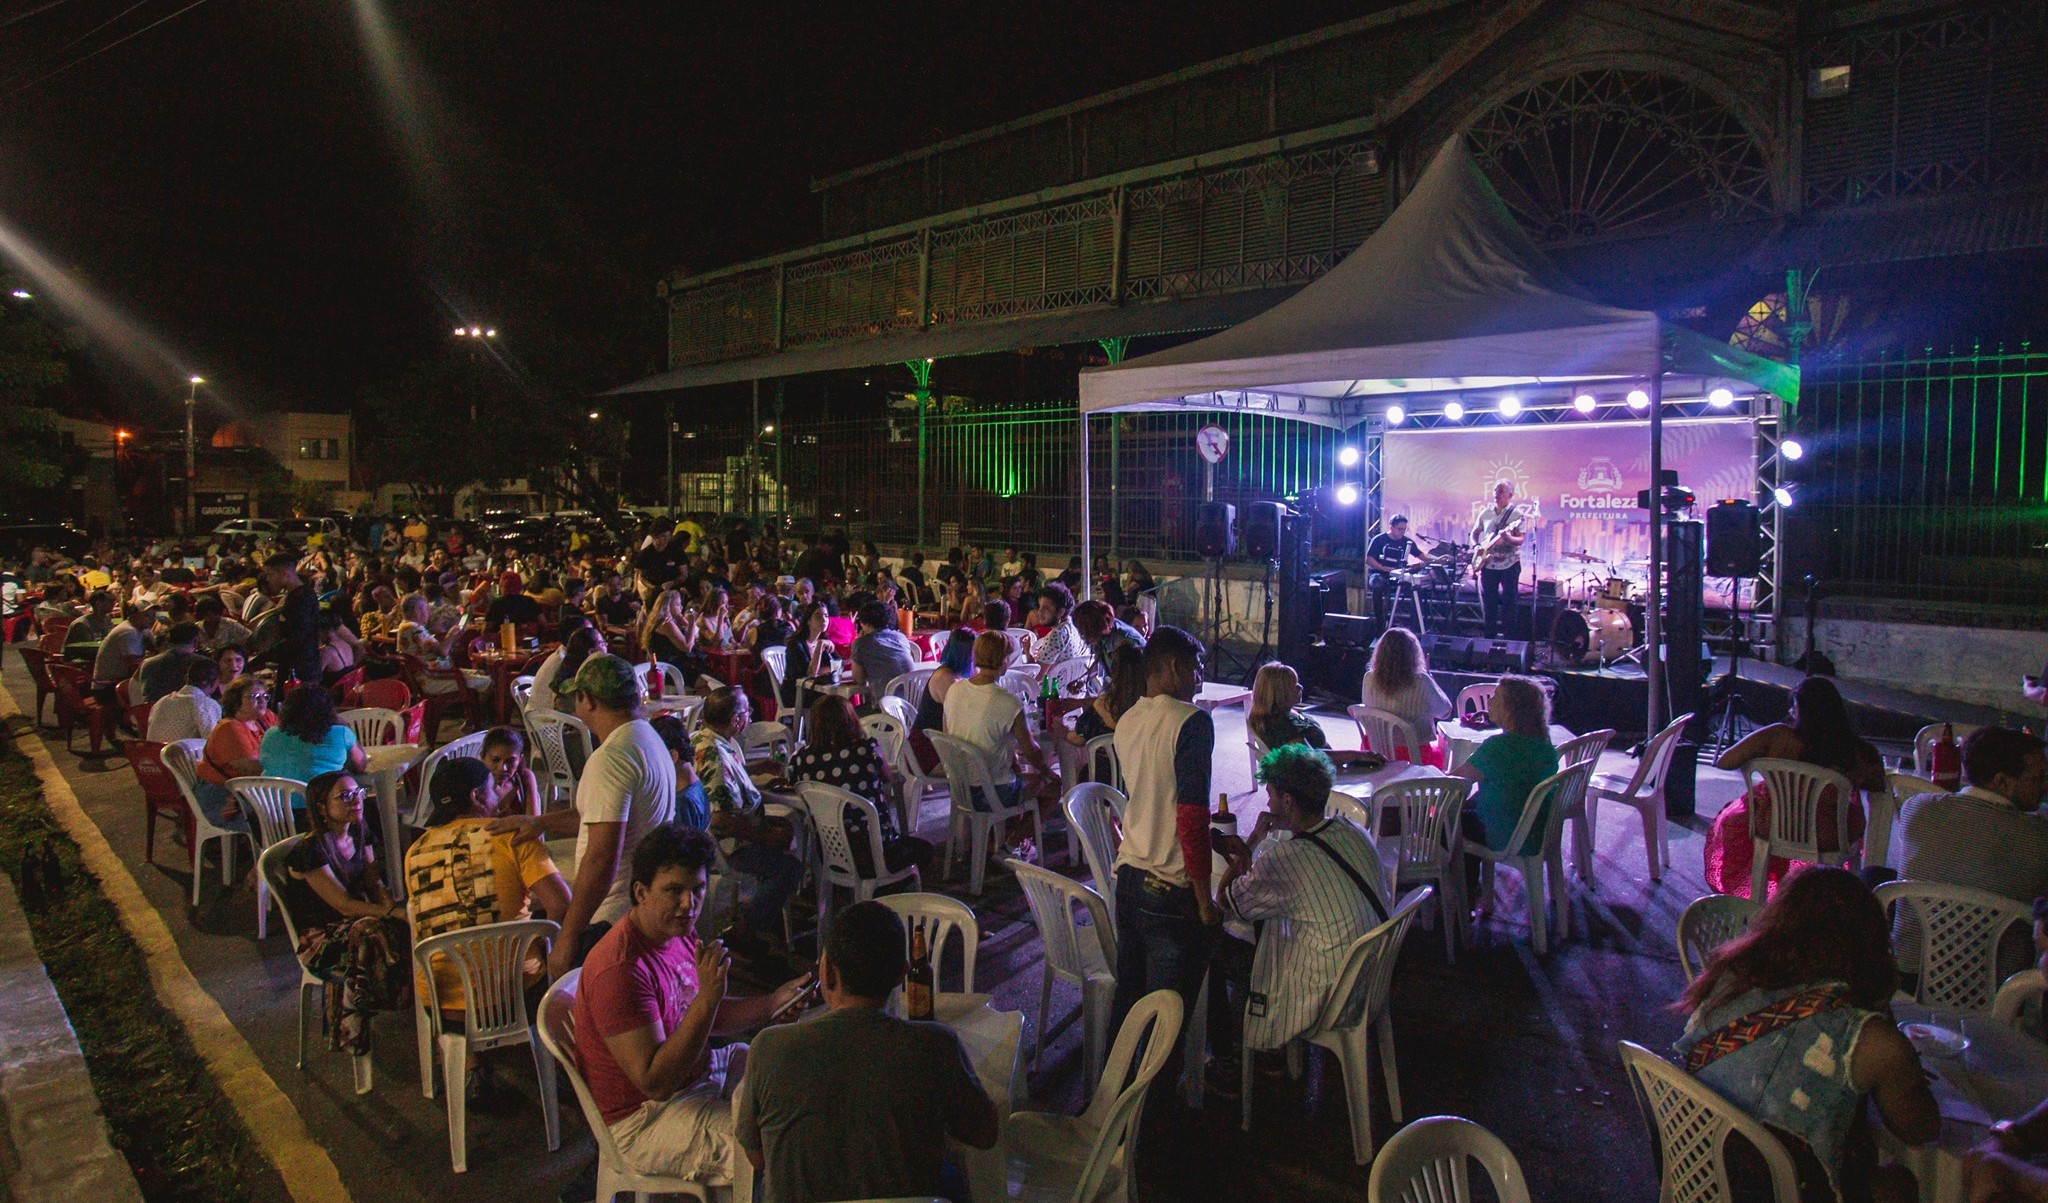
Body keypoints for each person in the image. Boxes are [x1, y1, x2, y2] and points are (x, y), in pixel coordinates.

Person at [1674, 867, 1938, 1203]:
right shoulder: (1872, 1039)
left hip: (1695, 1175)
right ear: (1869, 942)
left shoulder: (1727, 978)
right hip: (1777, 1191)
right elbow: (1921, 1128)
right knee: (1899, 1184)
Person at [570, 824, 813, 1188]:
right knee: (781, 1148)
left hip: (696, 1074)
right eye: (674, 891)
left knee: (792, 1076)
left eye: (697, 889)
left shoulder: (675, 932)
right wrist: (708, 999)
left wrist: (773, 1001)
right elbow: (656, 1082)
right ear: (640, 892)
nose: (689, 903)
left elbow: (705, 1016)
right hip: (645, 1119)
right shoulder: (620, 969)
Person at [735, 900, 998, 1203]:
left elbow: (757, 1157)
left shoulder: (769, 1047)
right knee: (952, 1177)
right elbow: (985, 1134)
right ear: (902, 973)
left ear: (828, 971)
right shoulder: (937, 1045)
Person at [491, 655, 675, 976]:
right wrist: (540, 823)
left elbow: (601, 857)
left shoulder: (612, 758)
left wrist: (569, 936)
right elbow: (601, 816)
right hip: (640, 906)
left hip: (614, 918)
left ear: (586, 700)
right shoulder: (646, 738)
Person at [1211, 744, 1387, 1079]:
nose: (1267, 803)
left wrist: (1255, 837)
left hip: (1331, 993)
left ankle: (1236, 1058)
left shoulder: (1286, 859)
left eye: (1272, 795)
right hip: (1373, 976)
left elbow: (1226, 900)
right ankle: (1265, 1048)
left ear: (1288, 801)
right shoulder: (1354, 831)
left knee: (1212, 943)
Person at [1107, 625, 1216, 1079]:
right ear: (1173, 666)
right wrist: (1203, 895)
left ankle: (1106, 1103)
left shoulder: (1129, 718)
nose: (1199, 679)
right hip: (1169, 887)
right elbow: (1189, 816)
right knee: (1164, 1026)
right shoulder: (1191, 722)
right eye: (1195, 669)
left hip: (1129, 877)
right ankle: (1153, 1128)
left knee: (1128, 1004)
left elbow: (1153, 796)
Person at [405, 756, 568, 1020]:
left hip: (442, 1006)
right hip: (515, 997)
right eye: (492, 789)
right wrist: (536, 942)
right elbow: (561, 904)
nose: (497, 796)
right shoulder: (512, 835)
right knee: (580, 938)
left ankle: (466, 1059)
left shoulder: (415, 851)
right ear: (477, 797)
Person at [1710, 676, 1887, 899]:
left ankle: (1759, 902)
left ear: (1800, 708)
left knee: (1745, 812)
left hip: (1775, 825)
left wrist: (1762, 762)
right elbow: (1879, 787)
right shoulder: (1856, 752)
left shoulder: (1777, 736)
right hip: (1828, 834)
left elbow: (1725, 760)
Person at [1889, 727, 2048, 971]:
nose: (2045, 786)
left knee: (1877, 876)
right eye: (2038, 778)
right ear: (2001, 782)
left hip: (1912, 972)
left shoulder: (1916, 809)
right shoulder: (2038, 835)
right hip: (1998, 987)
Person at [283, 771, 411, 1055]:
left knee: (408, 923)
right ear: (320, 807)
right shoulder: (311, 850)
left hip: (353, 924)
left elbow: (372, 882)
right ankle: (353, 1027)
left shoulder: (358, 831)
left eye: (358, 794)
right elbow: (343, 905)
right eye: (345, 796)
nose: (356, 801)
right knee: (370, 932)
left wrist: (393, 905)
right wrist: (390, 912)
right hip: (319, 938)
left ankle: (410, 1001)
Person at [696, 686, 804, 953]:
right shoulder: (717, 755)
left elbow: (724, 777)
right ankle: (748, 927)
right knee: (789, 867)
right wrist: (765, 836)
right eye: (747, 711)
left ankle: (769, 907)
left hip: (734, 832)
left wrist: (757, 768)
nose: (751, 715)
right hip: (730, 845)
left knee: (789, 828)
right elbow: (722, 818)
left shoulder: (705, 740)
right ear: (735, 719)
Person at [792, 694, 933, 880]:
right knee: (926, 850)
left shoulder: (802, 759)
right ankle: (890, 888)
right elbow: (889, 778)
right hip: (876, 853)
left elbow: (793, 785)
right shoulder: (867, 750)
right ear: (851, 719)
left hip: (829, 852)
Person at [1449, 675, 1559, 899]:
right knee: (1463, 814)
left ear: (1512, 709)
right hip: (1536, 829)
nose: (1488, 702)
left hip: (1505, 833)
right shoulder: (1544, 744)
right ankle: (1468, 888)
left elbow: (1451, 783)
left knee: (1444, 823)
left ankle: (1456, 896)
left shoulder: (1498, 748)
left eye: (1495, 698)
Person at [942, 631, 1052, 833]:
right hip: (992, 793)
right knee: (1051, 787)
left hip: (959, 787)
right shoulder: (1008, 701)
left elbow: (950, 733)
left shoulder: (954, 689)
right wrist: (1048, 771)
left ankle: (1003, 838)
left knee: (1014, 771)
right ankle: (1013, 844)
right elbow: (1031, 752)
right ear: (1004, 660)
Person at [1247, 663, 1377, 769]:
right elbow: (1312, 758)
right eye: (1294, 685)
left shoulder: (1286, 714)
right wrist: (1355, 756)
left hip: (1328, 767)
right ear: (1279, 693)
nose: (1300, 687)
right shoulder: (1280, 725)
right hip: (1317, 778)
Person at [1358, 627, 1452, 766]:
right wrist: (1430, 678)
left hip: (1375, 753)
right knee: (1445, 745)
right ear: (1413, 654)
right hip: (1413, 758)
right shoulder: (1421, 681)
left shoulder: (1369, 678)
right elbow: (1445, 712)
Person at [195, 675, 272, 830]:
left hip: (251, 789)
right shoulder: (230, 728)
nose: (262, 700)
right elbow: (251, 770)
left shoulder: (265, 718)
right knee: (284, 817)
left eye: (265, 696)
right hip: (220, 795)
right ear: (235, 701)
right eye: (254, 696)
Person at [260, 685, 368, 788]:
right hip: (319, 804)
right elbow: (360, 765)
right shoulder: (340, 733)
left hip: (272, 805)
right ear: (328, 710)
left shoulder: (270, 734)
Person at [1469, 481, 1528, 638]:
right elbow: (1474, 533)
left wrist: (1508, 538)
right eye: (1495, 490)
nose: (1497, 493)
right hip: (1488, 565)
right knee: (1489, 604)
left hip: (1510, 565)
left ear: (1510, 495)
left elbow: (1521, 539)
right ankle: (1489, 638)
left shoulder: (1517, 515)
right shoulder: (1485, 513)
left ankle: (1509, 640)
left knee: (1510, 603)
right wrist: (1476, 546)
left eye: (1501, 490)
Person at [257, 553, 323, 685]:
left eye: (270, 574)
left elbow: (295, 638)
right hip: (299, 666)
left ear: (284, 573)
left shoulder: (301, 598)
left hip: (300, 671)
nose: (268, 579)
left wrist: (262, 658)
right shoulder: (298, 595)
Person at [91, 599, 156, 707]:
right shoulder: (128, 632)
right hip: (107, 688)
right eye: (147, 616)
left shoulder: (143, 630)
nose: (152, 619)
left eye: (153, 615)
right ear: (133, 615)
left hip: (119, 681)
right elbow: (133, 665)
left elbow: (156, 650)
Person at [1365, 515, 1427, 626]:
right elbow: (1369, 560)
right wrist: (1384, 568)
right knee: (1377, 584)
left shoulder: (1407, 542)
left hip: (1399, 574)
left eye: (1404, 529)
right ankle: (1379, 622)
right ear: (1391, 527)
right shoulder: (1379, 539)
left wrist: (1439, 559)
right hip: (1380, 573)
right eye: (1400, 529)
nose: (1402, 532)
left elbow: (1422, 556)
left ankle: (1415, 624)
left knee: (1416, 589)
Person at [534, 622, 605, 716]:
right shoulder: (564, 665)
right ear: (590, 651)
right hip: (550, 722)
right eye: (602, 643)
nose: (606, 646)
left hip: (547, 716)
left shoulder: (570, 661)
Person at [146, 656, 222, 743]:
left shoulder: (162, 701)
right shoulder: (206, 704)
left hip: (152, 755)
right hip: (179, 756)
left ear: (187, 678)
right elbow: (214, 743)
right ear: (215, 682)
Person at [848, 601, 916, 693]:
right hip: (912, 701)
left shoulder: (861, 643)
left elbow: (858, 680)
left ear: (866, 622)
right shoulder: (901, 637)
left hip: (886, 704)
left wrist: (860, 640)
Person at [479, 725, 543, 818]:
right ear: (483, 757)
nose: (503, 768)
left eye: (510, 761)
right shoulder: (476, 786)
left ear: (520, 759)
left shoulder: (524, 778)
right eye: (495, 760)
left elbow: (533, 822)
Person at [1029, 582, 1085, 669]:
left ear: (1060, 612)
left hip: (1053, 682)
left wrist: (1027, 649)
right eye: (1040, 607)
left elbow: (1036, 675)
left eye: (1046, 608)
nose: (1040, 612)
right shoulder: (1072, 624)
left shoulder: (1056, 635)